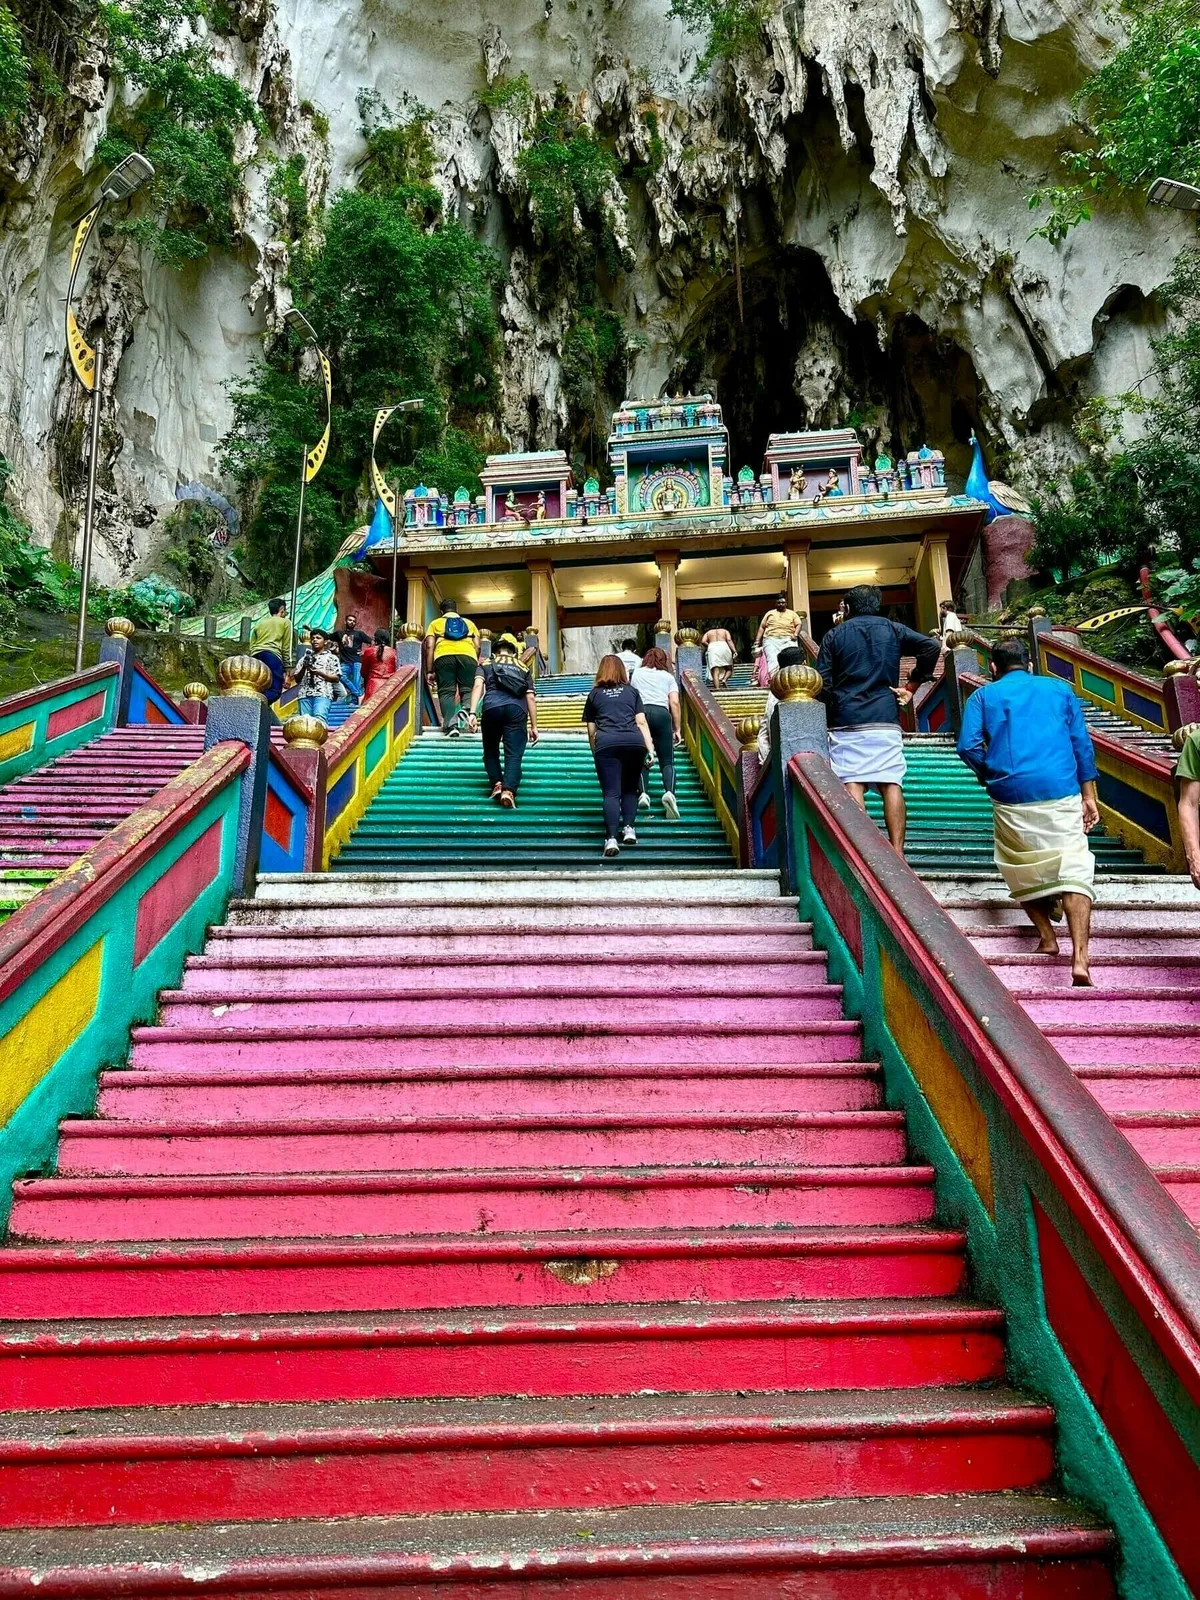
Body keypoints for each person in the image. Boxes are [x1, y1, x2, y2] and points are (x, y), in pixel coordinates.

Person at [957, 637, 1100, 986]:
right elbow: (1081, 744)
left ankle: (1048, 937)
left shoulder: (982, 696)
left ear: (993, 667)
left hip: (1011, 792)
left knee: (1018, 864)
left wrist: (991, 775)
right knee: (1075, 867)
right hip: (1060, 786)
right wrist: (1089, 794)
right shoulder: (1060, 690)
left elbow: (967, 746)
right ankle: (1080, 958)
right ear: (1030, 665)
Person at [814, 584, 940, 851]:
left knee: (852, 780)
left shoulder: (834, 635)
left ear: (848, 608)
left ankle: (863, 852)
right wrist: (912, 685)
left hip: (846, 718)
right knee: (891, 781)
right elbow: (931, 646)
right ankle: (898, 852)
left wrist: (831, 707)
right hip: (885, 716)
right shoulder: (893, 628)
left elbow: (822, 682)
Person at [582, 655, 657, 858]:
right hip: (634, 743)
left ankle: (611, 839)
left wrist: (595, 751)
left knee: (611, 793)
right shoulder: (632, 692)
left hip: (607, 744)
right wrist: (650, 749)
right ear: (622, 670)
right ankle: (629, 829)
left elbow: (591, 731)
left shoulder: (594, 694)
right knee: (630, 789)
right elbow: (641, 722)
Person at [467, 632, 539, 806]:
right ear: (513, 653)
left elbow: (478, 685)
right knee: (513, 753)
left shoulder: (486, 663)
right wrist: (534, 726)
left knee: (490, 750)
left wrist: (472, 713)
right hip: (517, 710)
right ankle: (508, 791)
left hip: (491, 708)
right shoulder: (523, 667)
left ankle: (497, 783)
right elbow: (530, 697)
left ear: (495, 652)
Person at [631, 646, 682, 819]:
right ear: (663, 661)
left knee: (642, 756)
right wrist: (677, 728)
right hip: (662, 714)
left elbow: (632, 696)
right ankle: (669, 793)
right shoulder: (668, 677)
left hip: (641, 714)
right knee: (667, 760)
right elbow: (674, 702)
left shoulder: (637, 674)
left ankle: (643, 794)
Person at [425, 597, 481, 736]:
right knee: (467, 689)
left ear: (441, 611)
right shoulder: (469, 623)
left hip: (444, 656)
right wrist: (473, 661)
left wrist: (430, 670)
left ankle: (451, 726)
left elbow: (430, 645)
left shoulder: (435, 623)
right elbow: (478, 646)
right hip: (468, 656)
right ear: (456, 610)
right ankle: (466, 709)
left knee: (446, 692)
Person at [756, 644, 804, 763]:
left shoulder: (775, 691)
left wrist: (766, 760)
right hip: (795, 757)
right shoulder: (794, 690)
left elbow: (763, 732)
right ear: (803, 664)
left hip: (779, 757)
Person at [248, 597, 292, 703]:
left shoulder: (260, 623)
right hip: (272, 656)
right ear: (282, 609)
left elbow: (252, 644)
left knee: (259, 686)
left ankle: (252, 702)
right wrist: (287, 671)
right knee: (275, 690)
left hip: (255, 657)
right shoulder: (285, 622)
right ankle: (253, 704)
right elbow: (286, 647)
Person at [293, 628, 342, 721]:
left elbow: (336, 678)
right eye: (313, 638)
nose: (314, 640)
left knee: (319, 719)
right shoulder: (304, 659)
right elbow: (297, 679)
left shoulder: (332, 658)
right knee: (304, 722)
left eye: (318, 638)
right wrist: (304, 667)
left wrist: (320, 673)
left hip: (323, 694)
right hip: (304, 694)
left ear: (325, 642)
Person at [754, 594, 803, 675]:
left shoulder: (792, 613)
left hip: (788, 639)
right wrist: (757, 641)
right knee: (773, 660)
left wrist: (795, 634)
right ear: (775, 603)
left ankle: (791, 677)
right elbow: (762, 627)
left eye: (783, 603)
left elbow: (799, 624)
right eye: (779, 603)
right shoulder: (770, 613)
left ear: (786, 603)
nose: (781, 604)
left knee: (791, 659)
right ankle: (774, 678)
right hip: (771, 640)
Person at [336, 613, 371, 701]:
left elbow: (372, 641)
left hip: (357, 662)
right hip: (344, 662)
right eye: (350, 620)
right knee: (340, 676)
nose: (352, 622)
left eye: (354, 621)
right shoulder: (339, 634)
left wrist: (365, 651)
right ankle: (359, 695)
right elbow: (326, 637)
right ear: (345, 621)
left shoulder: (359, 634)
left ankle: (355, 702)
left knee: (357, 682)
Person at [361, 628, 397, 699]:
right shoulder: (394, 652)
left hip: (373, 686)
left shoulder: (369, 651)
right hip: (389, 687)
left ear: (375, 638)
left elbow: (364, 672)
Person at [701, 626, 737, 690]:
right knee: (729, 668)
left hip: (712, 647)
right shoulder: (725, 631)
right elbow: (729, 640)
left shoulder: (708, 632)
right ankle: (724, 679)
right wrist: (734, 651)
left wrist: (709, 645)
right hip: (724, 646)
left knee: (715, 670)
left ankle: (717, 688)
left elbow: (703, 641)